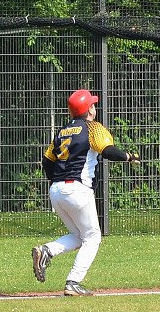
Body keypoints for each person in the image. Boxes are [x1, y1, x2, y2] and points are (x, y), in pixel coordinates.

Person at [32, 89, 140, 296]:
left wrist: (57, 182)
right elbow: (107, 150)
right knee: (93, 237)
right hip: (77, 189)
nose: (94, 106)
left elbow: (47, 161)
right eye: (92, 104)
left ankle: (47, 250)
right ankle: (73, 281)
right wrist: (128, 156)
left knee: (79, 236)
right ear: (89, 110)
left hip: (56, 190)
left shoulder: (62, 131)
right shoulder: (92, 128)